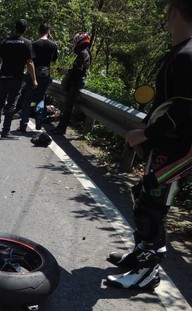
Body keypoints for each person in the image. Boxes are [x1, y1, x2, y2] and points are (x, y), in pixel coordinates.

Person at [106, 0, 192, 289]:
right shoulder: (181, 52)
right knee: (144, 198)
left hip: (181, 150)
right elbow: (167, 103)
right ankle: (140, 255)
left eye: (167, 13)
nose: (165, 20)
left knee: (150, 205)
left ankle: (147, 272)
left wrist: (144, 134)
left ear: (176, 11)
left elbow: (182, 109)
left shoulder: (188, 55)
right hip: (167, 146)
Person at [0, 19, 37, 139]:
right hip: (16, 79)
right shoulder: (27, 43)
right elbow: (30, 62)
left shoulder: (6, 42)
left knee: (0, 103)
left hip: (3, 78)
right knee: (11, 106)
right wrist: (34, 79)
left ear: (14, 28)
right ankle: (5, 132)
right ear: (25, 30)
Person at [19, 23, 58, 132]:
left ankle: (23, 124)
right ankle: (39, 119)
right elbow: (53, 60)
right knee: (41, 98)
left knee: (27, 99)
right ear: (49, 32)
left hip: (33, 74)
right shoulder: (53, 45)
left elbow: (29, 60)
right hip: (45, 75)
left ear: (39, 31)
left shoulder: (34, 44)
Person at [51, 32, 91, 135]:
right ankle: (61, 127)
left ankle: (61, 128)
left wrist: (67, 71)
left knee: (68, 107)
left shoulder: (83, 53)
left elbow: (77, 70)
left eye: (76, 42)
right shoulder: (86, 52)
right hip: (76, 82)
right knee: (67, 105)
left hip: (77, 83)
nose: (74, 44)